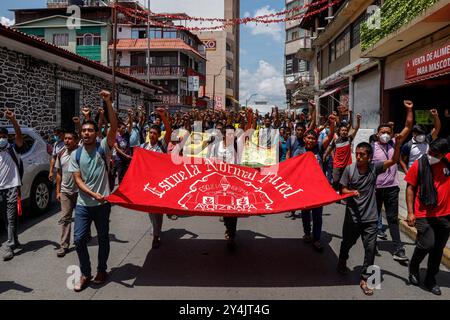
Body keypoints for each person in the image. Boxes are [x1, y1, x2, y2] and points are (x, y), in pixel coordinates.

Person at [337, 137, 404, 296]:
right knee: (347, 242)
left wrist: (399, 144)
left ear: (369, 156)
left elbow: (394, 160)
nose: (358, 157)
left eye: (362, 154)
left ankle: (365, 279)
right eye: (357, 154)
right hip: (353, 217)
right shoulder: (349, 169)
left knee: (371, 248)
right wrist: (351, 192)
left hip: (371, 218)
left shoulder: (375, 168)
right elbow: (342, 190)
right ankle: (342, 260)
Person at [68, 90, 117, 292]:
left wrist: (108, 103)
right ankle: (86, 273)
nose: (87, 133)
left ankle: (101, 270)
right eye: (84, 131)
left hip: (102, 205)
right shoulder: (76, 153)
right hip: (83, 205)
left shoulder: (103, 147)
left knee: (103, 238)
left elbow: (113, 126)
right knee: (79, 239)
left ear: (97, 134)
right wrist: (91, 193)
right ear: (81, 134)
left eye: (90, 130)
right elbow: (77, 180)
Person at [405, 138, 450, 296]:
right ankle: (414, 267)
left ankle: (431, 279)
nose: (430, 155)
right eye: (430, 151)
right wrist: (410, 212)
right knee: (427, 244)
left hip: (445, 215)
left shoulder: (447, 161)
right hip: (424, 213)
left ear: (444, 154)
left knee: (437, 250)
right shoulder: (419, 164)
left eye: (435, 154)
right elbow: (410, 188)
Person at [371, 100, 413, 262]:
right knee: (373, 217)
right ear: (377, 134)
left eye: (388, 131)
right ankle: (372, 244)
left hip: (392, 188)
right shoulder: (372, 147)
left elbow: (408, 126)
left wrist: (409, 110)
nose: (385, 134)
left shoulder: (395, 142)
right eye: (382, 132)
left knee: (392, 218)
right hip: (375, 188)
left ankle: (398, 248)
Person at [301, 114, 335, 252]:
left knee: (317, 215)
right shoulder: (299, 151)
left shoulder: (320, 148)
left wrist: (332, 124)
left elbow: (330, 136)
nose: (311, 140)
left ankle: (317, 239)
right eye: (308, 138)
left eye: (313, 138)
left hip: (318, 189)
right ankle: (307, 233)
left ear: (316, 141)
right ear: (304, 139)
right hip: (303, 188)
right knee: (305, 213)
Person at [140, 108, 172, 249]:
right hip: (148, 184)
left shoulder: (161, 145)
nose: (152, 135)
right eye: (150, 133)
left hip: (160, 183)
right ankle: (155, 229)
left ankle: (156, 235)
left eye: (154, 133)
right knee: (149, 210)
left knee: (157, 211)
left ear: (159, 135)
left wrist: (163, 116)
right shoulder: (143, 147)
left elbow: (169, 131)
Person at [0, 109, 24, 261]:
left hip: (12, 186)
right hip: (0, 188)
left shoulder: (12, 148)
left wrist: (13, 120)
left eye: (3, 136)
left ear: (7, 138)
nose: (1, 139)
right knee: (6, 217)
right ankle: (14, 239)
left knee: (10, 216)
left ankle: (9, 245)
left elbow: (19, 137)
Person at [55, 131, 79, 257]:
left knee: (82, 217)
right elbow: (58, 173)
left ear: (75, 141)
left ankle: (83, 237)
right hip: (65, 192)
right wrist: (58, 191)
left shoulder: (81, 152)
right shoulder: (61, 153)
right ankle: (64, 245)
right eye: (65, 139)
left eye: (70, 139)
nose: (66, 141)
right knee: (65, 219)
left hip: (80, 191)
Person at [325, 114, 361, 192]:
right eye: (342, 130)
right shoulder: (336, 141)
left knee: (345, 181)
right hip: (337, 164)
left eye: (345, 130)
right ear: (339, 131)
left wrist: (358, 120)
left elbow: (357, 128)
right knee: (336, 181)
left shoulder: (349, 139)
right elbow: (330, 149)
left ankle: (344, 195)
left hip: (347, 164)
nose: (344, 132)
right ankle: (335, 195)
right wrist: (325, 156)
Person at [113, 118, 132, 184]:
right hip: (119, 159)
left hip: (127, 159)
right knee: (120, 176)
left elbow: (131, 126)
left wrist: (130, 117)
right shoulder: (116, 136)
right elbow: (116, 148)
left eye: (125, 128)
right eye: (123, 128)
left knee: (128, 174)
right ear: (118, 129)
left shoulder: (127, 135)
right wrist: (125, 155)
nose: (124, 129)